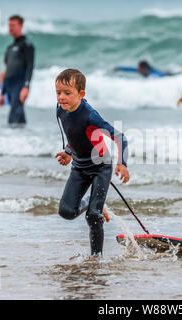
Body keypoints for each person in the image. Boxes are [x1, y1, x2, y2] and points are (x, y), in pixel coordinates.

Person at [54, 69, 130, 257]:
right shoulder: (60, 110)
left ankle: (96, 258)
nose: (61, 97)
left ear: (81, 94)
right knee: (66, 211)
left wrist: (122, 163)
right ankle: (89, 202)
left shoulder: (90, 116)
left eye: (67, 93)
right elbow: (75, 134)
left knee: (94, 216)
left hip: (100, 167)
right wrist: (69, 152)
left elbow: (120, 137)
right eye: (58, 93)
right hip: (79, 166)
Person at [0, 15, 35, 126]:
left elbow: (30, 66)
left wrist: (26, 86)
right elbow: (7, 69)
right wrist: (2, 92)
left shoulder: (27, 45)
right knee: (16, 115)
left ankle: (16, 139)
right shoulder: (9, 48)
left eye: (13, 25)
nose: (10, 28)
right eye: (9, 25)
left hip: (19, 84)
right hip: (9, 85)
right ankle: (20, 139)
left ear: (21, 26)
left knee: (14, 115)